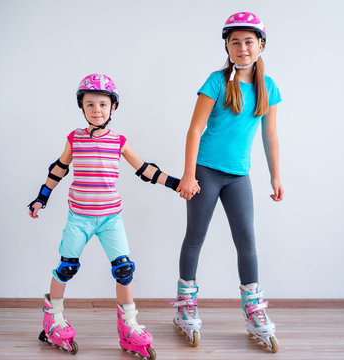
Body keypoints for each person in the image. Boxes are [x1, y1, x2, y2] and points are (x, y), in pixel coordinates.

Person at [28, 74, 187, 359]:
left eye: (103, 104)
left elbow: (145, 170)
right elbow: (59, 169)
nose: (97, 110)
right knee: (66, 268)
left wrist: (177, 184)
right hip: (80, 217)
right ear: (82, 108)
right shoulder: (74, 139)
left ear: (113, 108)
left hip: (110, 217)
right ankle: (53, 319)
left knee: (124, 269)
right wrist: (42, 197)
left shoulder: (119, 141)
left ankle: (129, 325)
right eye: (90, 104)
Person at [170, 12, 283, 353]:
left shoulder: (269, 87)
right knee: (196, 237)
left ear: (261, 46)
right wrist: (188, 174)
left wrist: (275, 174)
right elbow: (194, 129)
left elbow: (270, 134)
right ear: (227, 46)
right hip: (205, 171)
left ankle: (254, 310)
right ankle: (185, 305)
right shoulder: (217, 82)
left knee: (246, 240)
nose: (242, 47)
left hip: (239, 176)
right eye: (235, 41)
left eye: (249, 41)